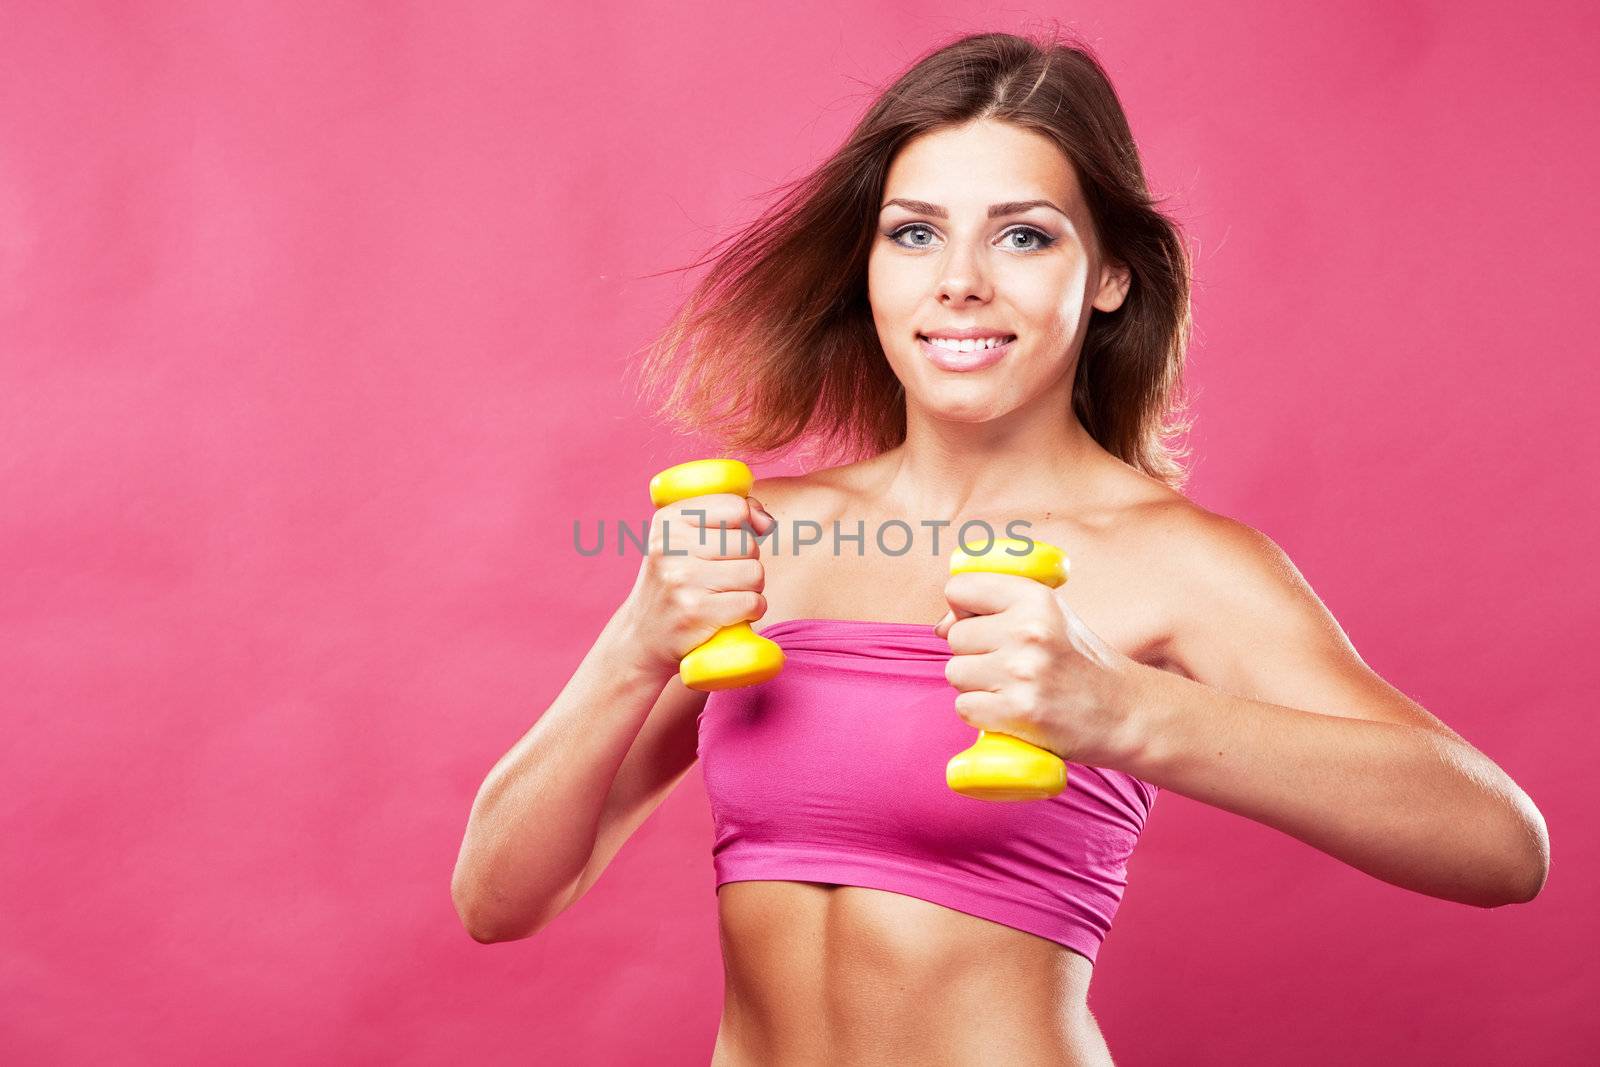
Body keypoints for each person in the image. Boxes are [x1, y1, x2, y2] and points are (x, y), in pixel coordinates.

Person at [451, 29, 1550, 1065]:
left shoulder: (1176, 559)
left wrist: (1120, 710)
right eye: (914, 231)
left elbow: (1499, 845)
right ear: (869, 266)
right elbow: (496, 899)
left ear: (1110, 275)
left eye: (1022, 233)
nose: (959, 280)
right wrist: (634, 650)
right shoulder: (761, 535)